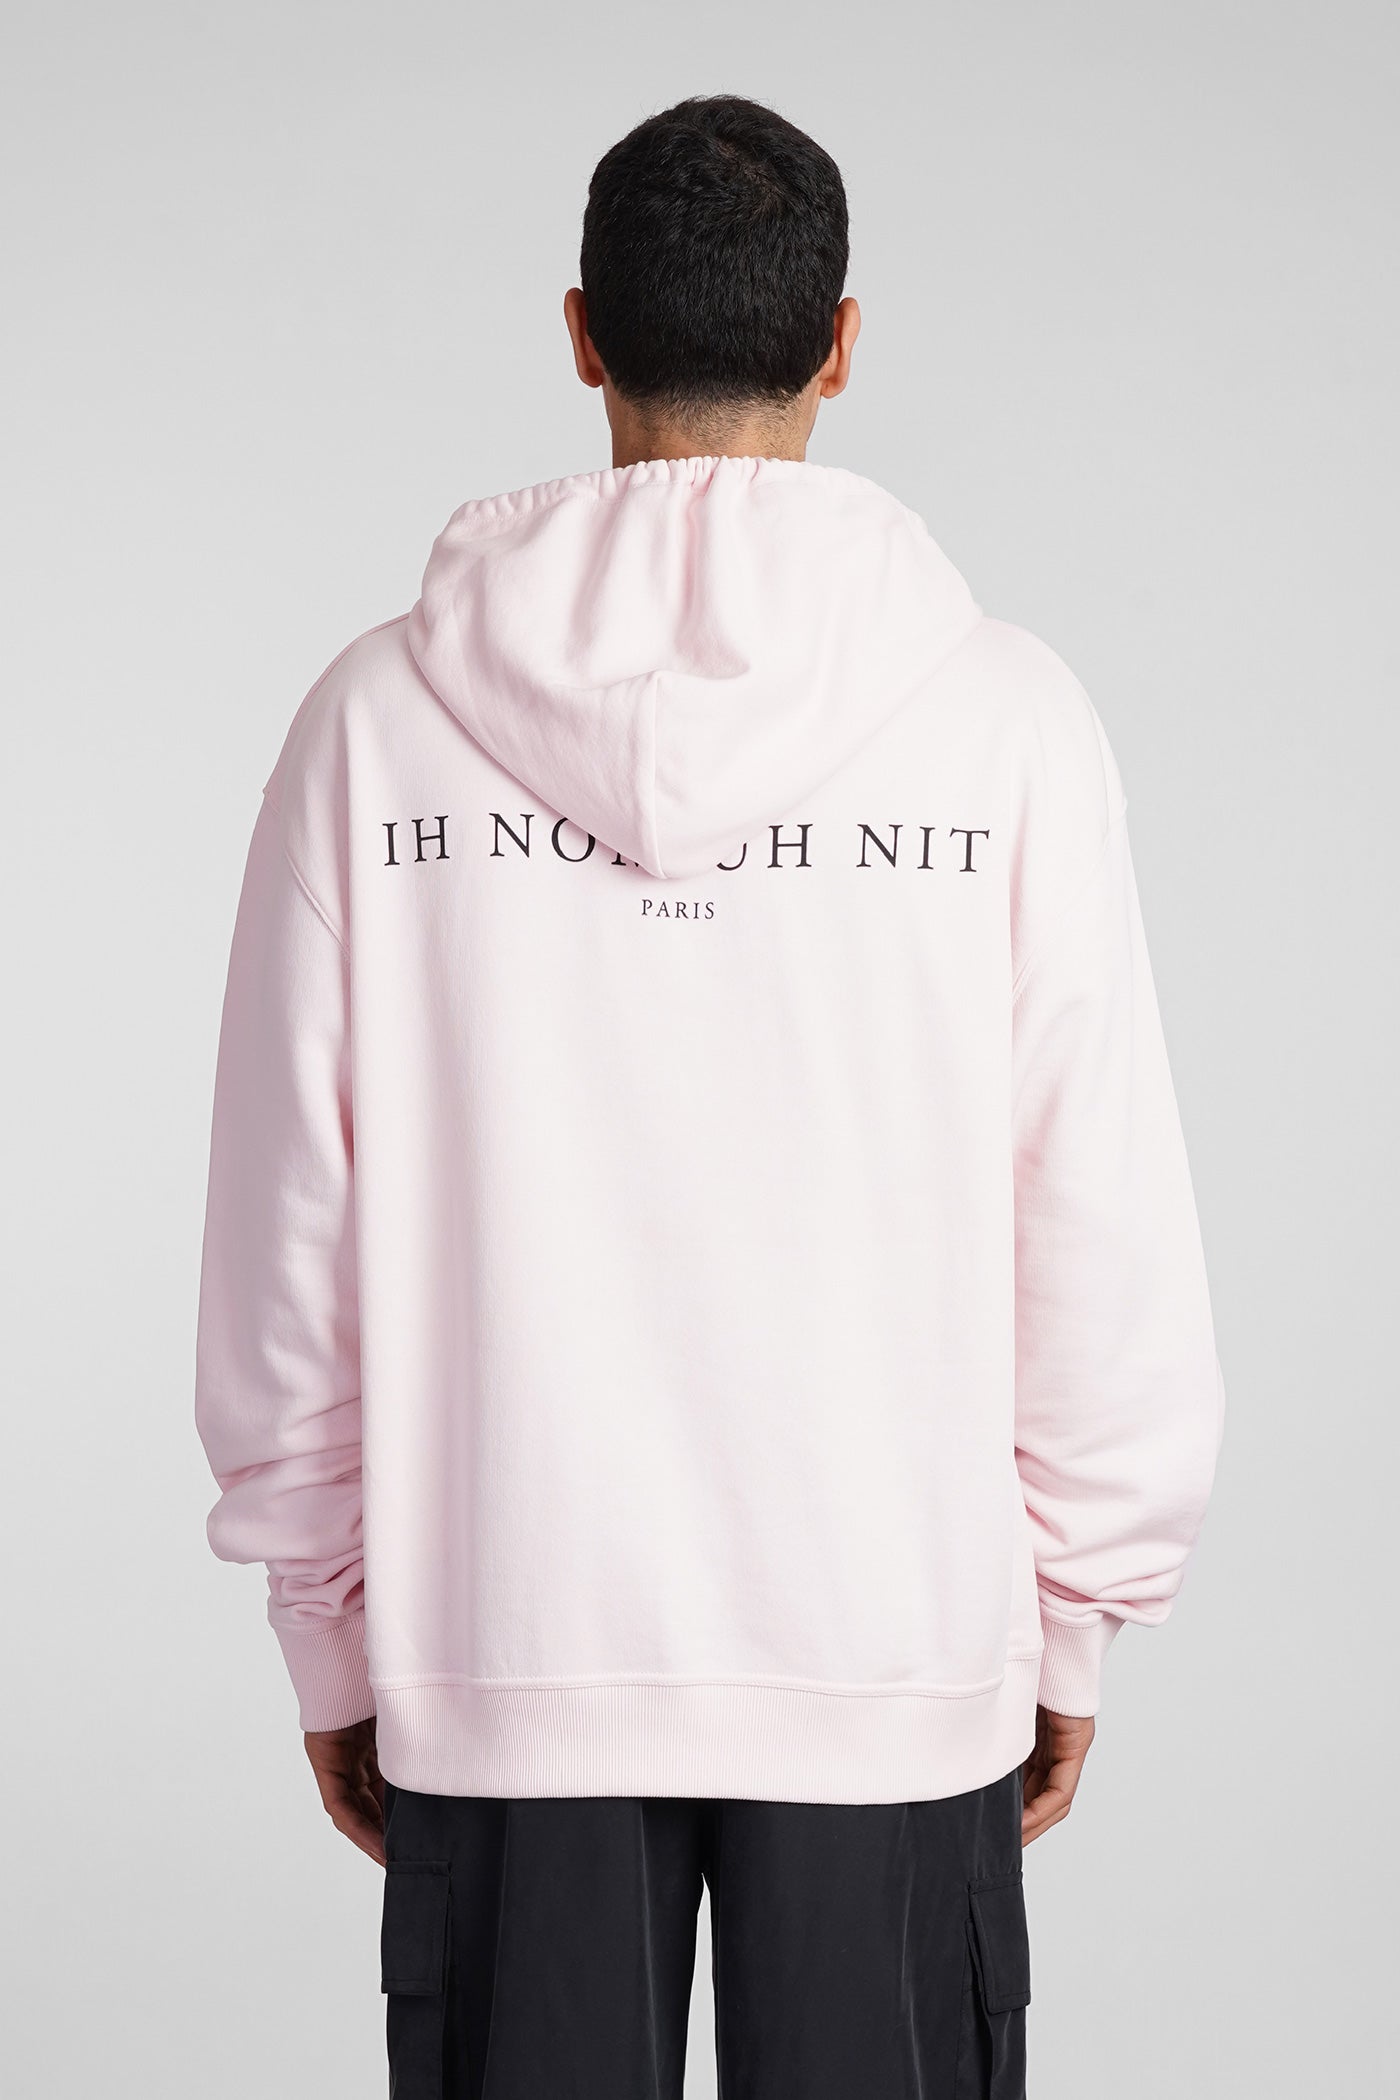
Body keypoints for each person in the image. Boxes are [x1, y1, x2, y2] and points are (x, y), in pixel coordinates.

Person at [194, 93, 1224, 2100]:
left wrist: (331, 1621)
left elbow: (284, 1230)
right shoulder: (1005, 722)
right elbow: (1092, 1206)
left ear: (582, 333)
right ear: (842, 344)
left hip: (505, 1641)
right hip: (891, 1651)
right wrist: (1071, 1613)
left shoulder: (373, 726)